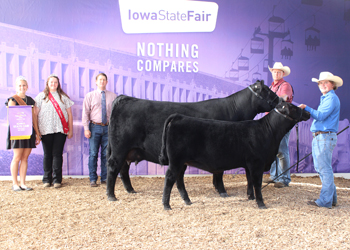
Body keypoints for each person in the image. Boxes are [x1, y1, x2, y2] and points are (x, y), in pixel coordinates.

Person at [299, 71, 342, 208]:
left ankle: (325, 201)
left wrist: (306, 108)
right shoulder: (327, 98)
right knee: (323, 168)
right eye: (320, 83)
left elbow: (321, 115)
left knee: (324, 169)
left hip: (324, 136)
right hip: (322, 136)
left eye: (325, 82)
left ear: (332, 84)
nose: (322, 85)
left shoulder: (330, 99)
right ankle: (331, 199)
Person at [34, 75, 74, 188]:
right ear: (47, 83)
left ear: (58, 84)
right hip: (45, 130)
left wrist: (70, 130)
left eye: (55, 82)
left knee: (57, 154)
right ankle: (47, 179)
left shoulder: (63, 97)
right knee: (47, 155)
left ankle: (57, 180)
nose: (53, 84)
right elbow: (35, 115)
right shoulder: (41, 97)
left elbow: (70, 114)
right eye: (51, 82)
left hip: (61, 130)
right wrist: (37, 132)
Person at [5, 76, 41, 191]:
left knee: (25, 158)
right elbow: (11, 118)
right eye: (20, 85)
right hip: (17, 131)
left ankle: (23, 183)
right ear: (16, 87)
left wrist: (37, 133)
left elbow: (34, 118)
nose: (22, 87)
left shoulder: (30, 100)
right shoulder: (12, 100)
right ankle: (15, 183)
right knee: (17, 157)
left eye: (24, 85)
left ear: (27, 87)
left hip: (29, 132)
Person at [82, 73, 117, 187]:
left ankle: (104, 178)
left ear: (107, 82)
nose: (102, 81)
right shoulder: (90, 96)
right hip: (94, 127)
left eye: (104, 80)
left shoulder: (113, 96)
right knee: (93, 153)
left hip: (108, 127)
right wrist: (86, 128)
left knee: (106, 154)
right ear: (96, 82)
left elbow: (116, 114)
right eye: (100, 79)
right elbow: (85, 113)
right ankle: (93, 178)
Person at [263, 62, 294, 188]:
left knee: (281, 150)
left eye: (278, 72)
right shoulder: (271, 87)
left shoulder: (285, 85)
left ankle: (284, 178)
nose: (276, 73)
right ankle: (274, 176)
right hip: (271, 122)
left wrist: (267, 101)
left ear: (283, 73)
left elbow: (284, 98)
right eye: (274, 72)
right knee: (274, 150)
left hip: (281, 122)